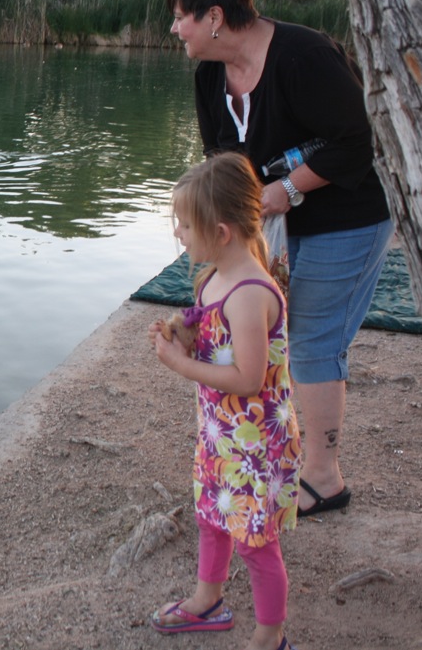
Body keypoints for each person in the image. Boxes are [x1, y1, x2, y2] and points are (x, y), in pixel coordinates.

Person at [165, 0, 393, 518]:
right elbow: (222, 168)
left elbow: (360, 140)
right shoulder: (209, 77)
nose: (174, 28)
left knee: (314, 337)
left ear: (213, 17)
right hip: (274, 224)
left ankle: (324, 478)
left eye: (180, 16)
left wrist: (284, 193)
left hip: (349, 212)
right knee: (280, 329)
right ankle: (292, 459)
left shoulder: (303, 55)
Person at [148, 153, 301, 650]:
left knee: (257, 544)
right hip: (221, 439)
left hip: (257, 449)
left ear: (221, 231)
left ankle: (269, 636)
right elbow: (219, 341)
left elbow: (248, 376)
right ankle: (207, 600)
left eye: (185, 225)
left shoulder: (250, 293)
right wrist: (187, 336)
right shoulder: (215, 277)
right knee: (211, 518)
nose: (178, 233)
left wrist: (180, 365)